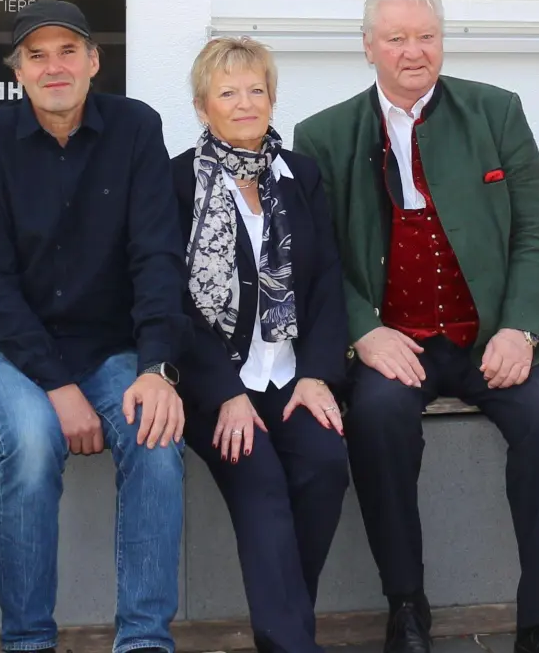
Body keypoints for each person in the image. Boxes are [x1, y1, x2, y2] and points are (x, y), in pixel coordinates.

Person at [294, 0, 539, 653]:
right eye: (396, 39)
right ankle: (407, 604)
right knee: (377, 418)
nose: (413, 51)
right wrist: (362, 331)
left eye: (425, 36)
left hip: (489, 337)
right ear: (369, 48)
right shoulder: (324, 135)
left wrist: (520, 326)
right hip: (396, 340)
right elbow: (316, 255)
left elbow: (536, 233)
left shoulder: (496, 113)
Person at [0, 0, 190, 653]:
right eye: (37, 55)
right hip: (9, 352)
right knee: (31, 443)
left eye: (67, 51)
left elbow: (157, 256)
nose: (53, 66)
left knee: (155, 435)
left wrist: (157, 368)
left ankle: (144, 639)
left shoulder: (136, 128)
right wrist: (57, 387)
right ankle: (28, 642)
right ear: (18, 72)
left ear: (93, 61)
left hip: (111, 348)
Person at [171, 36, 352, 653]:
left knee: (326, 466)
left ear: (273, 99)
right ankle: (292, 643)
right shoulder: (177, 183)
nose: (245, 103)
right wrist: (223, 391)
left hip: (290, 375)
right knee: (262, 483)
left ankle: (284, 628)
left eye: (256, 90)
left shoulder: (299, 174)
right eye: (228, 92)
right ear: (202, 107)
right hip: (215, 387)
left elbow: (327, 278)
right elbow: (173, 302)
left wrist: (319, 374)